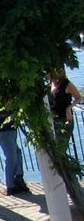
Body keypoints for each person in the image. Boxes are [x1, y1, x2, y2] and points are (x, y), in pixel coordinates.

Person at [0, 95, 28, 195]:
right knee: (11, 156)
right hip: (4, 129)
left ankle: (18, 177)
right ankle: (11, 185)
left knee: (16, 152)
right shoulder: (5, 96)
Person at [48, 68, 82, 202]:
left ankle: (72, 183)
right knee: (56, 154)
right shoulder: (50, 84)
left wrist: (69, 107)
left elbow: (79, 97)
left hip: (65, 121)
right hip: (53, 122)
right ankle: (67, 183)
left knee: (60, 152)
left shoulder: (66, 84)